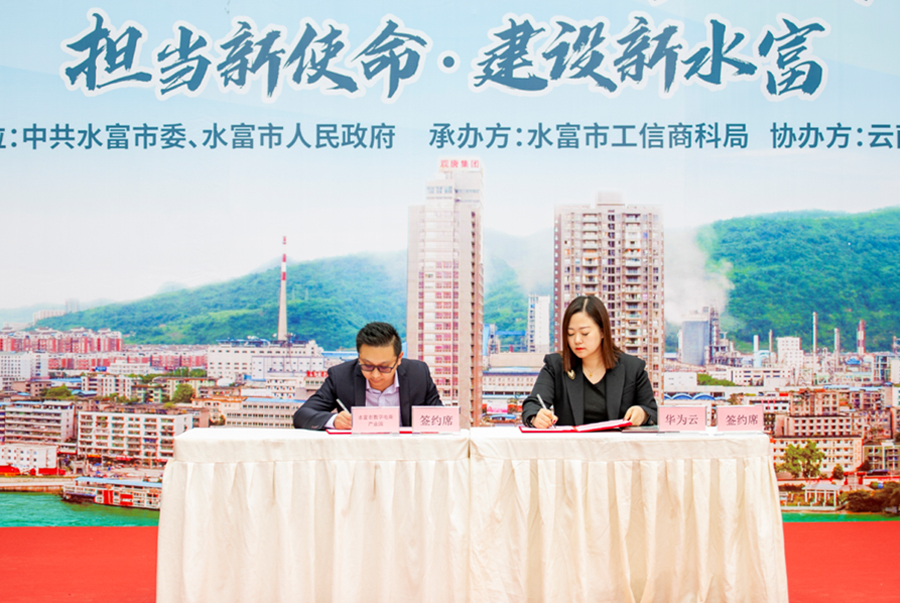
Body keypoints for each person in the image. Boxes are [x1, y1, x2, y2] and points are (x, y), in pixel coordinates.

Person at [522, 295, 657, 429]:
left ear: (602, 332)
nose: (577, 340)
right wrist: (536, 416)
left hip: (618, 443)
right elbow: (532, 405)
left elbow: (653, 413)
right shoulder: (556, 365)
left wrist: (643, 414)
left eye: (585, 333)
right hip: (571, 443)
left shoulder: (632, 368)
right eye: (570, 334)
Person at [293, 322, 442, 430]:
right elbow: (302, 415)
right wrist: (333, 420)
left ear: (399, 359)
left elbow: (441, 418)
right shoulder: (341, 376)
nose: (375, 375)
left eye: (384, 367)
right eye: (367, 365)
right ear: (359, 357)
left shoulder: (418, 374)